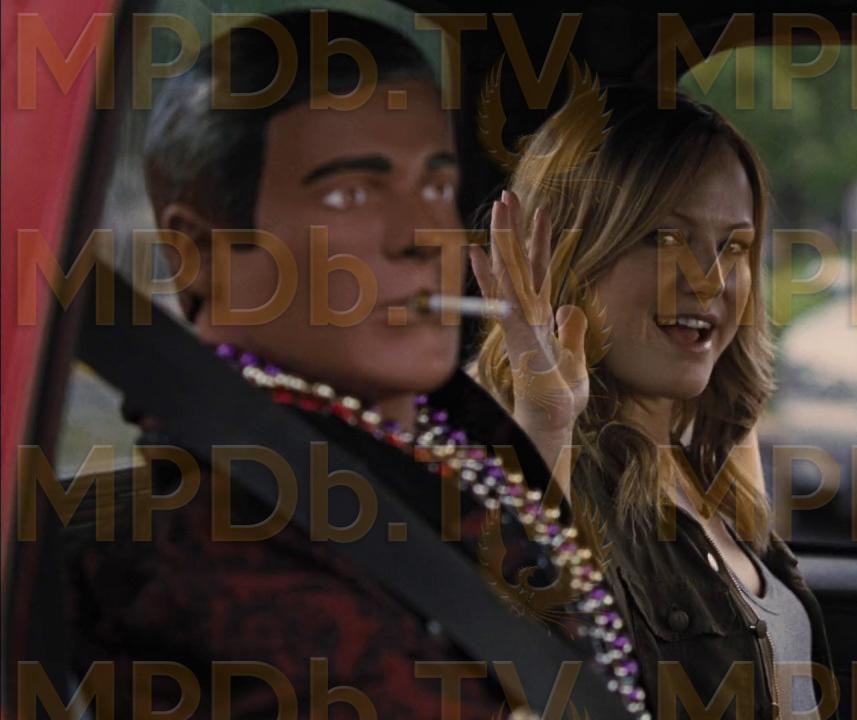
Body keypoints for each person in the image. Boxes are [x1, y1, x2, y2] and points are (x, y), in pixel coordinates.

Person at [57, 12, 645, 718]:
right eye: (351, 193)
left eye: (436, 186)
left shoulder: (450, 458)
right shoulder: (212, 558)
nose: (425, 236)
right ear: (198, 252)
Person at [470, 88, 834, 718]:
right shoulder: (530, 468)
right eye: (665, 238)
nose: (710, 281)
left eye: (733, 246)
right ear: (566, 256)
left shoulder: (707, 464)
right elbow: (512, 677)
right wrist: (545, 424)